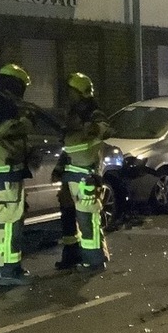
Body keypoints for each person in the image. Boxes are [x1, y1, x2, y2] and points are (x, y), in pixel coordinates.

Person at [0, 64, 36, 286]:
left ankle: (0, 268)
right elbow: (5, 130)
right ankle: (10, 271)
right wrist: (27, 122)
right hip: (4, 174)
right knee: (12, 223)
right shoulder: (1, 106)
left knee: (2, 224)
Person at [53, 72, 112, 273]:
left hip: (86, 173)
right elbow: (67, 147)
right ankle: (71, 255)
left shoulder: (94, 114)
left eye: (72, 91)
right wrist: (59, 169)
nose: (69, 95)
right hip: (70, 172)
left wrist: (85, 126)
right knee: (68, 217)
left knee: (88, 218)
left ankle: (95, 260)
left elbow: (105, 130)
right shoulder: (71, 114)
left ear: (81, 92)